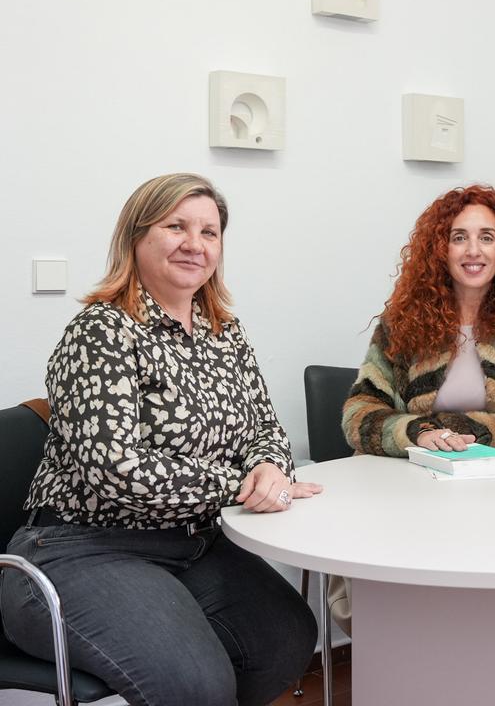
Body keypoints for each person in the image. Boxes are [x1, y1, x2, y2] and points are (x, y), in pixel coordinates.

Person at [1, 173, 321, 706]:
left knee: (286, 640)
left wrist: (270, 465)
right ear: (136, 237)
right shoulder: (101, 332)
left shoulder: (225, 333)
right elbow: (118, 469)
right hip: (79, 552)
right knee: (196, 686)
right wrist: (241, 483)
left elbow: (266, 427)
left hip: (192, 544)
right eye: (176, 226)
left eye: (209, 232)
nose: (195, 244)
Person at [333, 184, 495, 633]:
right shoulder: (402, 321)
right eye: (459, 237)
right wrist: (420, 435)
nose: (472, 250)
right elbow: (359, 412)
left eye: (487, 237)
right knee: (409, 615)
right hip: (408, 494)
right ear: (440, 248)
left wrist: (457, 433)